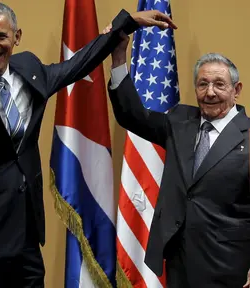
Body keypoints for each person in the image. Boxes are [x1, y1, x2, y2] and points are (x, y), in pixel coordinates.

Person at [0, 2, 176, 287]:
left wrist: (128, 23)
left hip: (24, 237)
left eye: (0, 36)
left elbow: (76, 65)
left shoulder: (29, 69)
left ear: (16, 36)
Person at [107, 32, 250, 287]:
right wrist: (118, 58)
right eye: (202, 84)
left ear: (236, 90)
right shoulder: (179, 122)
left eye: (219, 84)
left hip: (229, 267)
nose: (210, 92)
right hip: (178, 262)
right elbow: (133, 115)